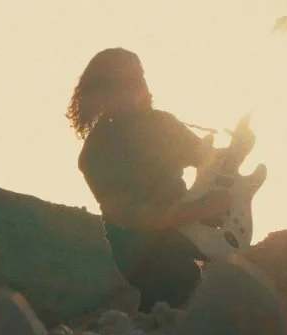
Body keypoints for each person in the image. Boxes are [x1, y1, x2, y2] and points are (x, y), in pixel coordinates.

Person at [67, 48, 246, 313]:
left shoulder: (162, 124)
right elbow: (134, 217)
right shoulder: (96, 153)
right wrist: (201, 209)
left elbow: (210, 162)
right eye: (126, 81)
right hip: (142, 252)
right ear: (104, 92)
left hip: (190, 229)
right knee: (181, 300)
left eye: (139, 77)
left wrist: (239, 148)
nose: (138, 86)